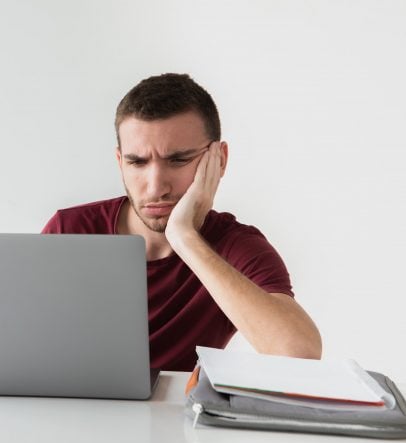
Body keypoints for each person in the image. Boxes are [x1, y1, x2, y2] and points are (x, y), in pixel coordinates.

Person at [42, 73, 322, 371]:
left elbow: (298, 353)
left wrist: (185, 238)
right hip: (75, 412)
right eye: (137, 162)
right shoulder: (69, 231)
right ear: (119, 161)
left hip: (175, 417)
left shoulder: (234, 246)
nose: (155, 187)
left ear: (219, 160)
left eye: (177, 160)